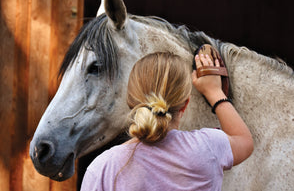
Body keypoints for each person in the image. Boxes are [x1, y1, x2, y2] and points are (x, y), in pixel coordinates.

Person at [80, 46, 254, 191]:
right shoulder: (207, 148)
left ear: (131, 102)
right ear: (185, 104)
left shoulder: (102, 169)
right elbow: (244, 141)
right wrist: (214, 92)